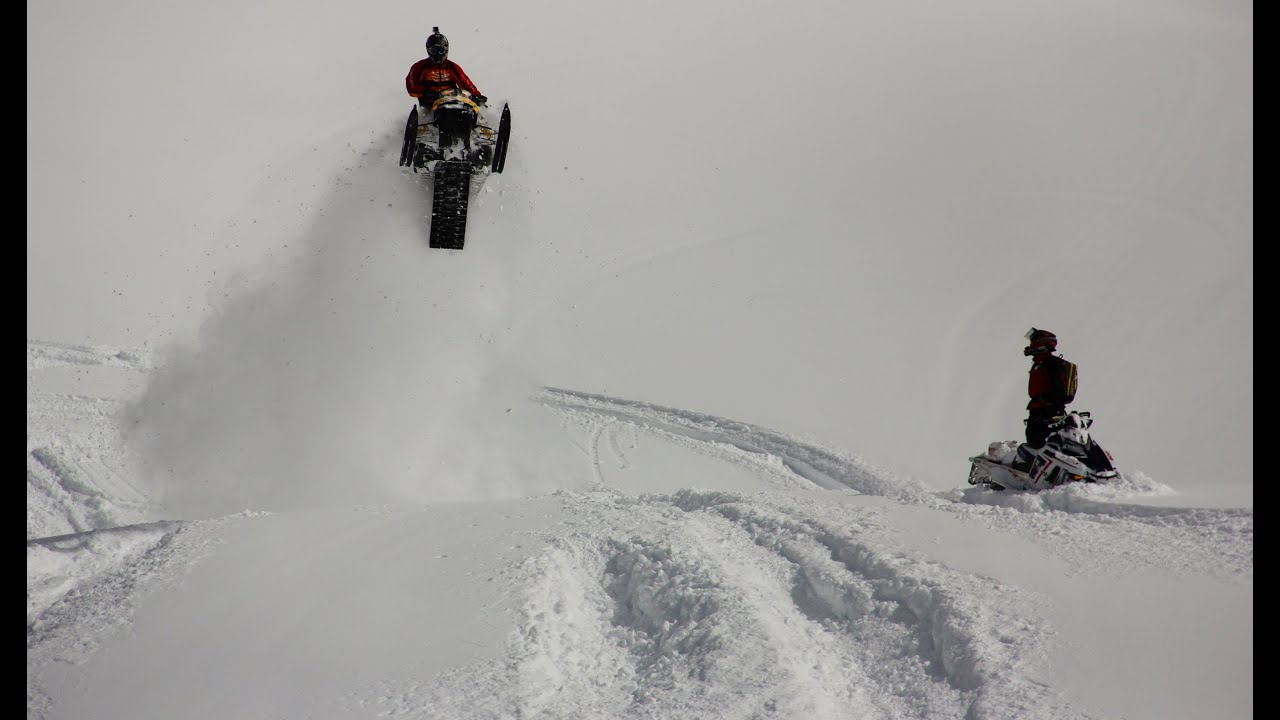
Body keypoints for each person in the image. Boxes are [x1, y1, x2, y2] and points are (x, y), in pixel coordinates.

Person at [1011, 328, 1073, 472]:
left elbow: (1056, 388)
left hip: (1045, 410)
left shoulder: (1050, 363)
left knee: (1039, 445)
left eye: (1033, 341)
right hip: (1041, 408)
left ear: (1041, 343)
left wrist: (1049, 406)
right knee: (1037, 443)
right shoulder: (1042, 362)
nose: (1030, 344)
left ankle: (1040, 477)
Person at [405, 27, 487, 107]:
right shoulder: (419, 67)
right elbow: (411, 86)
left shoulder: (452, 67)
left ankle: (483, 119)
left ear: (446, 49)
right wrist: (425, 92)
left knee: (470, 109)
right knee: (424, 117)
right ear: (428, 50)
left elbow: (465, 82)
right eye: (434, 51)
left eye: (441, 50)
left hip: (452, 100)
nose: (438, 55)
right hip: (429, 106)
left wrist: (476, 95)